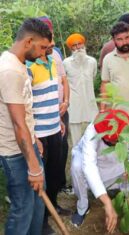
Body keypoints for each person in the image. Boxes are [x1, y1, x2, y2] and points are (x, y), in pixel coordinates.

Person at [0, 18, 51, 235]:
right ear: (29, 41)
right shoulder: (10, 71)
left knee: (38, 201)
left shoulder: (19, 65)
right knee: (23, 208)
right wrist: (33, 167)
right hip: (14, 152)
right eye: (42, 48)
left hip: (26, 144)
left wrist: (34, 138)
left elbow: (24, 116)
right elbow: (18, 124)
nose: (43, 54)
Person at [70, 109, 129, 230]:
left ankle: (128, 199)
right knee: (77, 166)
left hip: (116, 165)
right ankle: (83, 207)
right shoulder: (92, 130)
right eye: (110, 141)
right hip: (94, 166)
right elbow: (89, 167)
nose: (113, 143)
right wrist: (107, 203)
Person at [27, 37, 71, 234]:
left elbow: (53, 95)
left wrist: (59, 119)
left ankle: (52, 207)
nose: (50, 49)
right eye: (47, 47)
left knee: (54, 176)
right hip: (40, 133)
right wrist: (33, 135)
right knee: (40, 181)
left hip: (55, 129)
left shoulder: (52, 62)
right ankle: (41, 223)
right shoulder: (28, 66)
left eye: (52, 46)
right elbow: (25, 103)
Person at [38, 16, 72, 194]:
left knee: (61, 149)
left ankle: (59, 186)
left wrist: (66, 102)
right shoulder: (31, 59)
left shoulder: (55, 54)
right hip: (43, 117)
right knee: (46, 157)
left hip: (59, 110)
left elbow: (64, 81)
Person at [63, 33, 98, 146]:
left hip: (90, 102)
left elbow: (93, 76)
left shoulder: (92, 61)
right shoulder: (66, 63)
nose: (78, 47)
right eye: (74, 45)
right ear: (70, 48)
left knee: (93, 135)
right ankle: (76, 160)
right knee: (76, 140)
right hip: (74, 105)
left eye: (80, 44)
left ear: (84, 44)